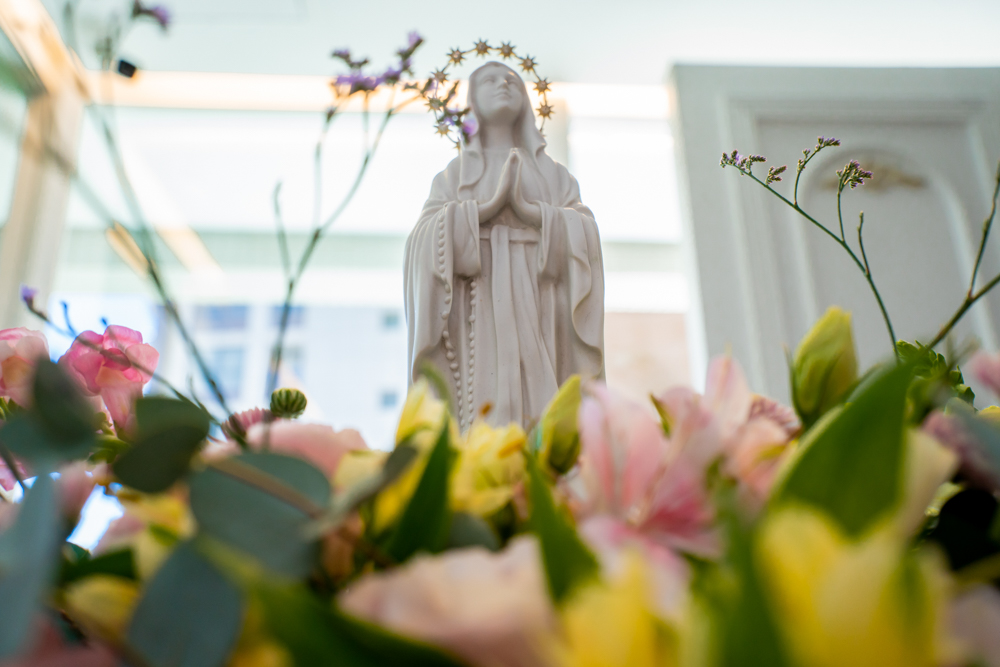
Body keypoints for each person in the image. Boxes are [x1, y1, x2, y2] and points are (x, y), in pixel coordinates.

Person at [404, 61, 604, 430]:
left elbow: (585, 232)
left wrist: (533, 214)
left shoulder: (554, 175)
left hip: (541, 299)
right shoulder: (454, 175)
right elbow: (423, 240)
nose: (504, 84)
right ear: (472, 102)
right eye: (490, 80)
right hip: (478, 300)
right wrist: (483, 211)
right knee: (484, 399)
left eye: (512, 80)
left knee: (541, 398)